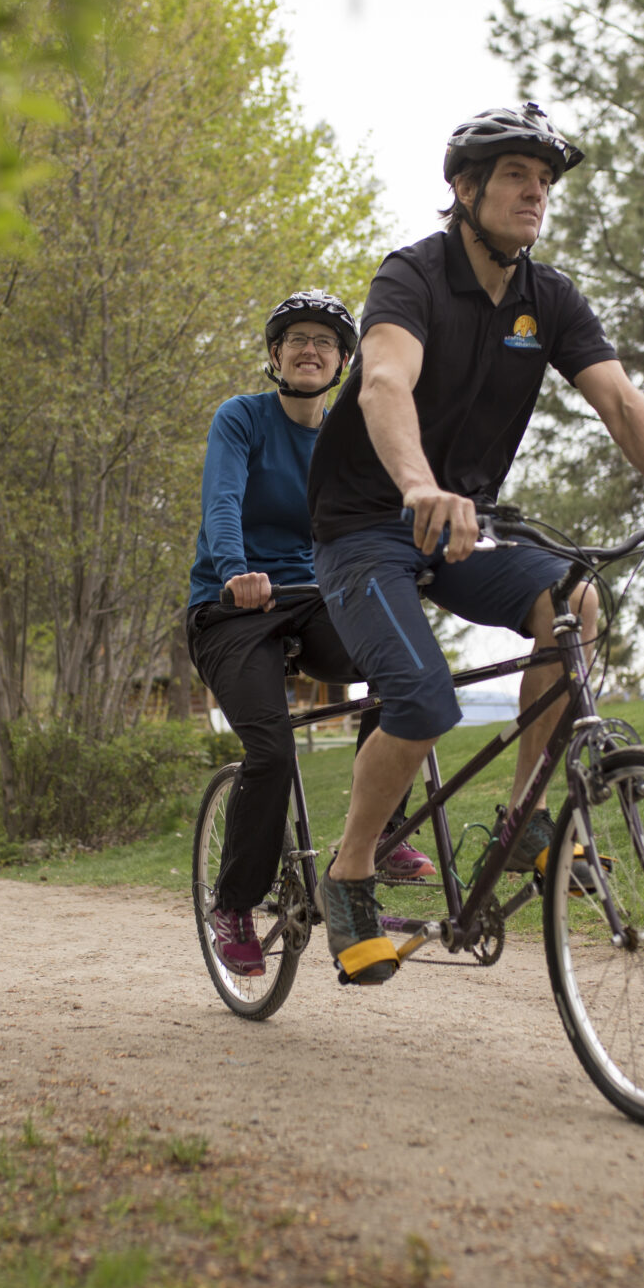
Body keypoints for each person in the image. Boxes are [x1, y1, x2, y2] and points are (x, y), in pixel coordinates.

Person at [305, 102, 644, 986]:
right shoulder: (411, 277)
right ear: (464, 189)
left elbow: (622, 402)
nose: (536, 194)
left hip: (466, 525)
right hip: (366, 524)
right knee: (423, 702)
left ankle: (522, 824)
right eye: (517, 177)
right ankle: (350, 871)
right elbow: (385, 380)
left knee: (577, 602)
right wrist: (419, 482)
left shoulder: (549, 298)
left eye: (544, 183)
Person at [186, 289, 433, 979]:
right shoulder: (241, 419)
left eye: (325, 342)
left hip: (316, 597)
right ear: (274, 355)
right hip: (233, 608)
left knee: (404, 666)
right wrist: (236, 569)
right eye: (295, 339)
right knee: (269, 748)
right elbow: (222, 501)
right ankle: (233, 903)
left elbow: (379, 516)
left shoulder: (348, 435)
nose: (309, 350)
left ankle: (378, 834)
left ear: (345, 362)